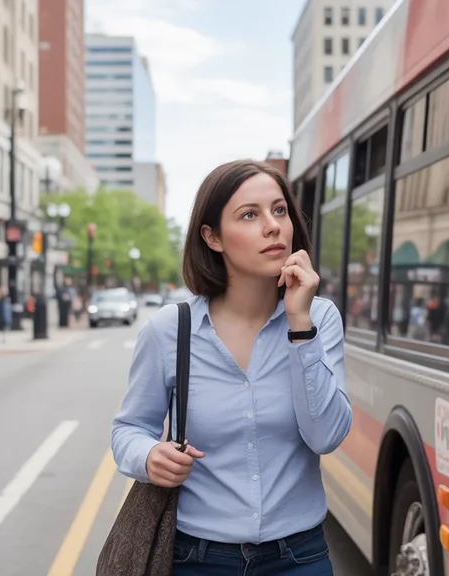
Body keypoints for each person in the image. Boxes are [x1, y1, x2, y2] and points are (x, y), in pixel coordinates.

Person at [111, 160, 352, 575]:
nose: (273, 226)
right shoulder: (171, 330)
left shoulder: (319, 318)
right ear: (212, 237)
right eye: (249, 215)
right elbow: (127, 430)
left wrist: (299, 325)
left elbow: (325, 436)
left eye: (280, 211)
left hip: (299, 558)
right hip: (196, 559)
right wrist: (149, 455)